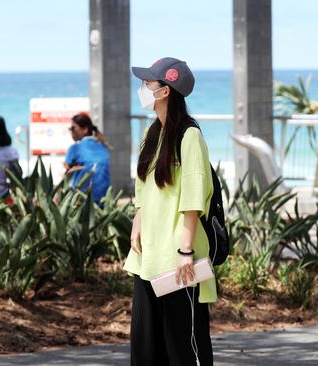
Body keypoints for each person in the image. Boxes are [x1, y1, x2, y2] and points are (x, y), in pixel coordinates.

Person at [123, 57, 215, 365]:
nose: (143, 89)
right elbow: (144, 188)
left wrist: (185, 250)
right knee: (146, 348)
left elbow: (193, 198)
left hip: (177, 259)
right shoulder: (152, 133)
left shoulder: (189, 136)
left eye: (148, 84)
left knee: (183, 347)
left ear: (165, 91)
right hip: (147, 257)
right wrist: (138, 220)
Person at [64, 112, 111, 202]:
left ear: (85, 129)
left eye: (73, 128)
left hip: (80, 201)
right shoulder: (102, 146)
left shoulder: (75, 148)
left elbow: (66, 177)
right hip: (103, 200)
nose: (71, 131)